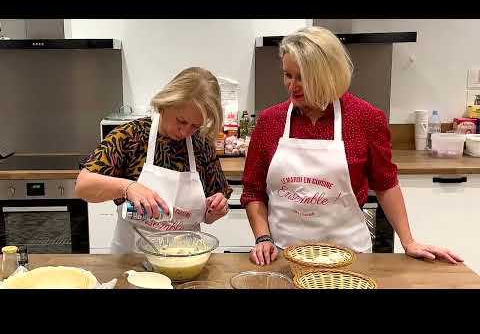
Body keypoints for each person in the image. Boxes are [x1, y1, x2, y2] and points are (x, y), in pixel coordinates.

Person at [241, 26, 462, 266]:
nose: (291, 86)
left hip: (349, 257)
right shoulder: (270, 121)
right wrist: (263, 238)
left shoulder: (365, 118)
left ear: (329, 75)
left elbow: (385, 184)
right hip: (285, 255)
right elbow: (253, 190)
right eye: (287, 75)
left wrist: (408, 241)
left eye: (302, 78)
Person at [75, 67, 232, 253]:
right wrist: (128, 187)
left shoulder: (202, 146)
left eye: (195, 126)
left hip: (185, 259)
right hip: (131, 261)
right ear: (165, 103)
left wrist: (216, 208)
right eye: (181, 121)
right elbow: (83, 186)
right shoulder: (131, 136)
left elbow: (209, 213)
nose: (185, 132)